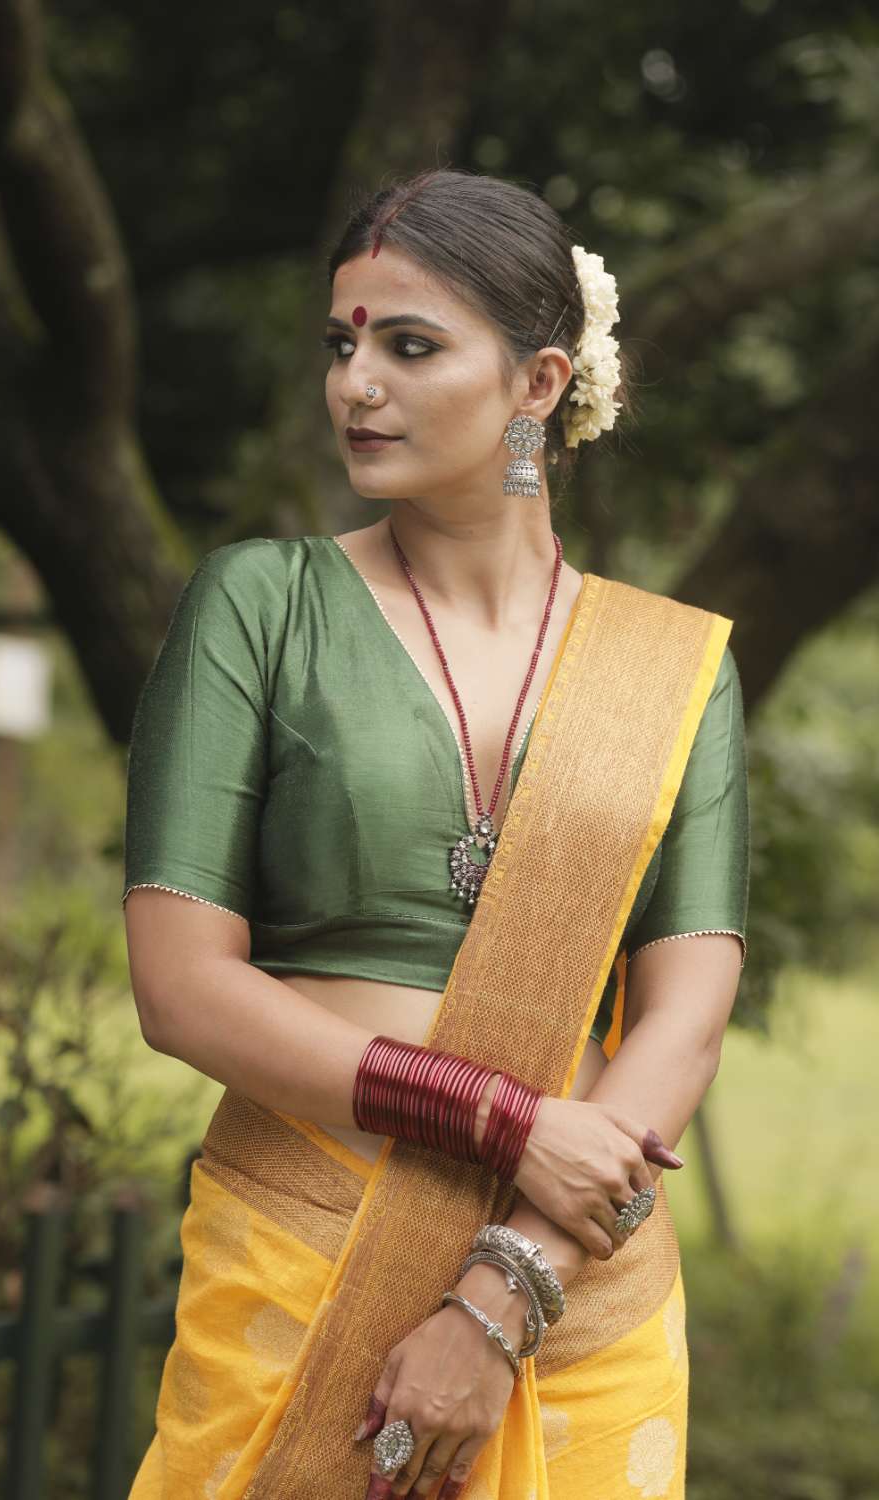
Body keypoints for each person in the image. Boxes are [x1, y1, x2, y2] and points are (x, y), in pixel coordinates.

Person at [122, 167, 749, 1500]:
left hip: (583, 1300)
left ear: (538, 384)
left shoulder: (669, 668)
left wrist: (501, 1293)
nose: (356, 385)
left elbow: (685, 1012)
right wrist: (505, 1120)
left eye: (409, 346)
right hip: (304, 1245)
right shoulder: (262, 606)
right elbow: (178, 989)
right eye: (343, 346)